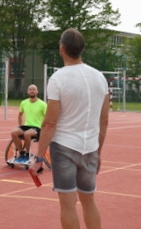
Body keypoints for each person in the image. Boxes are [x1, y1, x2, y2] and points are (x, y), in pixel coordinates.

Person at [30, 28, 109, 229]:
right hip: (90, 146)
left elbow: (50, 122)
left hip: (64, 146)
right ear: (82, 49)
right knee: (89, 200)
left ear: (61, 48)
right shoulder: (100, 77)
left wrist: (39, 158)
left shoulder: (58, 79)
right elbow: (104, 120)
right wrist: (97, 152)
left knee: (67, 203)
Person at [11, 84, 47, 163]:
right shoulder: (24, 103)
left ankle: (27, 155)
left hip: (37, 127)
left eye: (34, 89)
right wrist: (20, 126)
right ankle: (21, 153)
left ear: (37, 92)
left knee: (27, 134)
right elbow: (20, 115)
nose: (32, 91)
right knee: (14, 133)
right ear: (27, 92)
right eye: (30, 89)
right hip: (27, 126)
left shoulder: (42, 104)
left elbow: (47, 117)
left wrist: (44, 128)